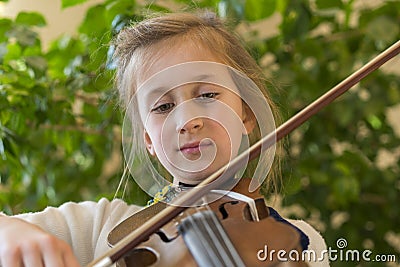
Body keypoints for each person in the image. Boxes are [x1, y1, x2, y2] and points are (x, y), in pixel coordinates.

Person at [0, 11, 329, 267]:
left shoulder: (300, 241)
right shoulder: (104, 227)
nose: (187, 121)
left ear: (245, 114)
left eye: (207, 94)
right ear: (148, 139)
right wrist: (9, 232)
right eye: (164, 106)